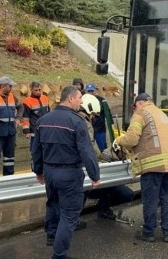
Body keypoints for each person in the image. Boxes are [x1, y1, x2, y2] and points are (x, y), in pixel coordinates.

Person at [32, 86, 100, 259]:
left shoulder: (43, 120)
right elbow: (87, 152)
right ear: (70, 98)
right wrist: (95, 175)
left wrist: (38, 171)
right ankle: (60, 254)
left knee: (53, 205)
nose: (81, 101)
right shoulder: (77, 122)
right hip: (69, 174)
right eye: (79, 98)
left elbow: (36, 150)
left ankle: (52, 236)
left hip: (49, 173)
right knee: (69, 216)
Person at [113, 93, 168, 243]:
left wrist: (119, 140)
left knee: (150, 200)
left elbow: (131, 139)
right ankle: (167, 232)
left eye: (135, 105)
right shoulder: (161, 114)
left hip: (153, 165)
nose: (134, 108)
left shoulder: (141, 114)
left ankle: (148, 232)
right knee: (167, 198)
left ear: (140, 103)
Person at [79, 94, 134, 220]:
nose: (93, 118)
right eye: (93, 114)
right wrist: (102, 159)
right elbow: (90, 150)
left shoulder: (72, 119)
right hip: (81, 168)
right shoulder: (83, 123)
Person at [0, 76, 22, 177]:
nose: (11, 88)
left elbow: (21, 107)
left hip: (10, 132)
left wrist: (18, 118)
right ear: (3, 86)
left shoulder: (12, 96)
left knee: (10, 157)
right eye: (10, 86)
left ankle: (9, 176)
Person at [21, 82, 50, 150]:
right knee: (35, 150)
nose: (38, 92)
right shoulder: (27, 101)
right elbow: (25, 118)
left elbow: (49, 114)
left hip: (46, 129)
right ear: (31, 90)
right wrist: (26, 131)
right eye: (36, 90)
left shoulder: (45, 98)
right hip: (34, 131)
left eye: (39, 90)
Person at [85, 83, 109, 151]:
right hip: (88, 130)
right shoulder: (82, 101)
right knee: (88, 148)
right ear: (86, 91)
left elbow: (107, 113)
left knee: (103, 148)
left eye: (92, 91)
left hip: (100, 129)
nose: (90, 93)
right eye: (89, 91)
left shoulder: (101, 100)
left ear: (95, 91)